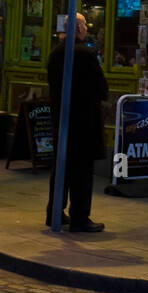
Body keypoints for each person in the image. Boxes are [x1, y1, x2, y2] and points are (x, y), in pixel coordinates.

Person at [45, 14, 108, 232]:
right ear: (79, 28)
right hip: (83, 121)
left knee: (61, 167)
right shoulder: (84, 53)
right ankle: (80, 216)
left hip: (61, 118)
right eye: (84, 25)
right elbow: (101, 87)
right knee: (82, 170)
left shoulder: (55, 53)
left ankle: (54, 211)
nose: (86, 29)